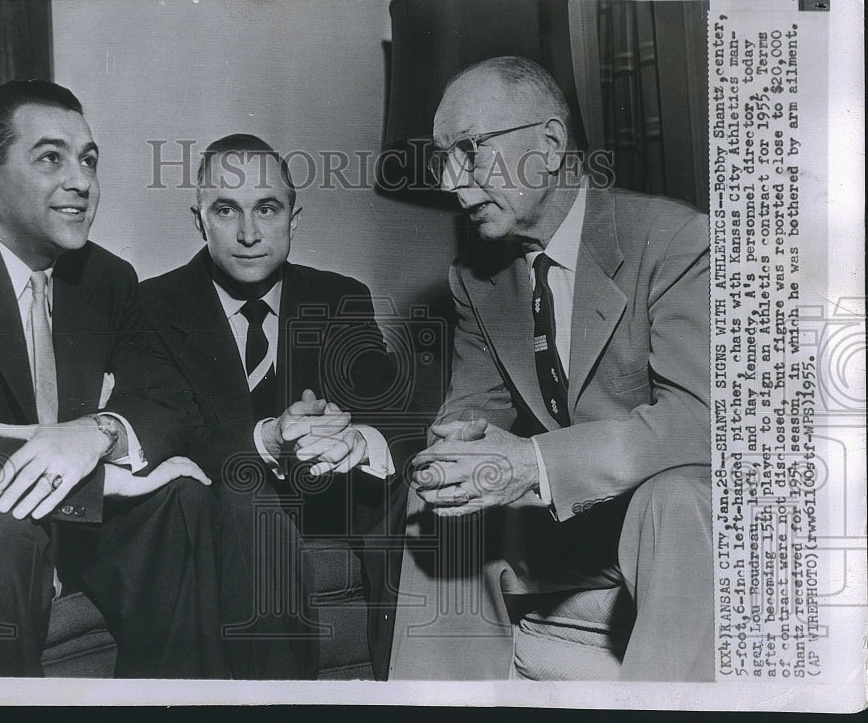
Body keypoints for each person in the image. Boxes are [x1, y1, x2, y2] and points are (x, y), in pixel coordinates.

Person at [389, 56, 713, 681]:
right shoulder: (477, 279)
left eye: (470, 151)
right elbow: (468, 414)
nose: (454, 185)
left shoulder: (675, 241)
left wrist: (534, 463)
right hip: (566, 533)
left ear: (550, 143)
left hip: (659, 519)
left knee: (679, 495)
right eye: (442, 159)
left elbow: (697, 422)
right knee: (442, 497)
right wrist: (452, 453)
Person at [0, 80, 228, 678]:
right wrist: (103, 481)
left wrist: (98, 432)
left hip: (71, 532)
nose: (81, 181)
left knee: (184, 498)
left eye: (89, 160)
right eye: (51, 158)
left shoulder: (108, 279)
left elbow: (170, 398)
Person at [140, 134, 410, 679]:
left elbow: (396, 415)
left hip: (332, 496)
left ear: (294, 218)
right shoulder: (152, 306)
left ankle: (405, 690)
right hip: (226, 509)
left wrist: (357, 440)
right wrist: (266, 438)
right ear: (199, 221)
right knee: (244, 491)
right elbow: (163, 435)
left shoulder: (340, 297)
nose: (248, 233)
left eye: (267, 208)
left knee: (410, 488)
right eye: (226, 210)